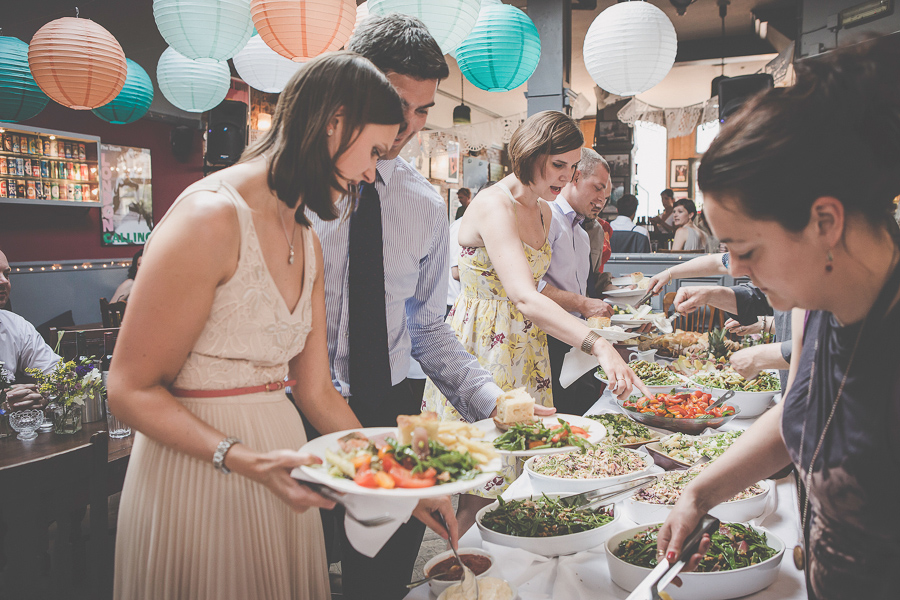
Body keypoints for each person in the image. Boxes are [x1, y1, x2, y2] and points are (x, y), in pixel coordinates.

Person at [107, 52, 455, 600]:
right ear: (334, 122)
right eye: (371, 152)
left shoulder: (305, 235)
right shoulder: (209, 216)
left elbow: (315, 392)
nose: (371, 172)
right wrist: (243, 459)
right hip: (203, 473)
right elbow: (127, 389)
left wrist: (402, 477)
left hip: (280, 474)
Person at [657, 37, 900, 599]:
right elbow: (801, 409)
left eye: (747, 249)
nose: (736, 270)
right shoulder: (816, 304)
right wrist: (700, 492)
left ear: (824, 221)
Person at [308, 16, 514, 599]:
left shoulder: (425, 206)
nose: (408, 124)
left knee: (383, 582)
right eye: (399, 102)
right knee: (297, 572)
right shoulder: (293, 192)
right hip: (302, 412)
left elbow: (425, 328)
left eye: (423, 110)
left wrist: (489, 400)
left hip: (396, 410)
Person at [423, 110, 650, 530]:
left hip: (526, 347)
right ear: (530, 154)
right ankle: (463, 582)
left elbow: (536, 294)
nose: (566, 176)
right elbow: (525, 296)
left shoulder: (544, 211)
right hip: (483, 346)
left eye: (572, 166)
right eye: (558, 164)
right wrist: (598, 343)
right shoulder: (494, 204)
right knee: (482, 482)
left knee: (518, 476)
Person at [541, 147, 614, 415]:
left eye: (605, 194)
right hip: (543, 338)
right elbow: (528, 287)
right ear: (575, 176)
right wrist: (583, 303)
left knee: (581, 412)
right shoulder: (545, 217)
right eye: (597, 188)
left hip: (575, 340)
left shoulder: (583, 236)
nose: (601, 199)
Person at [0, 249, 58, 411]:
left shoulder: (15, 325)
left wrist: (43, 394)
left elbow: (59, 375)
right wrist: (1, 407)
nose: (4, 281)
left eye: (7, 274)